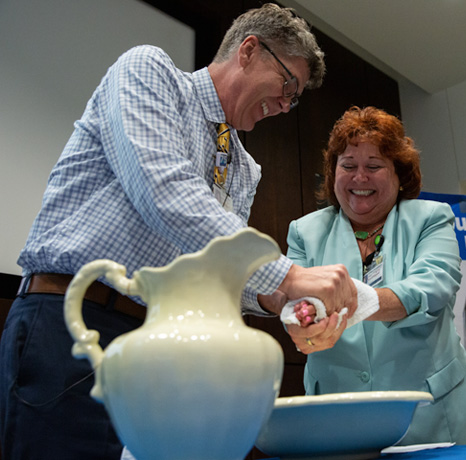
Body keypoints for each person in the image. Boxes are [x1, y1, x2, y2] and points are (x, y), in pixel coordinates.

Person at [0, 4, 357, 460]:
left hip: (156, 349)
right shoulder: (149, 72)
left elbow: (224, 273)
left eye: (295, 98)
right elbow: (164, 190)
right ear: (249, 50)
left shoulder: (244, 168)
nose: (286, 105)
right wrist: (288, 277)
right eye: (288, 84)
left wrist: (289, 304)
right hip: (71, 323)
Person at [281, 106, 466, 446]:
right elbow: (292, 298)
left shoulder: (430, 218)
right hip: (340, 421)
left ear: (400, 175)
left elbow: (432, 286)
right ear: (333, 172)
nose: (359, 177)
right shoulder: (305, 232)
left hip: (432, 416)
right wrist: (300, 319)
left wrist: (357, 302)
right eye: (348, 166)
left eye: (374, 166)